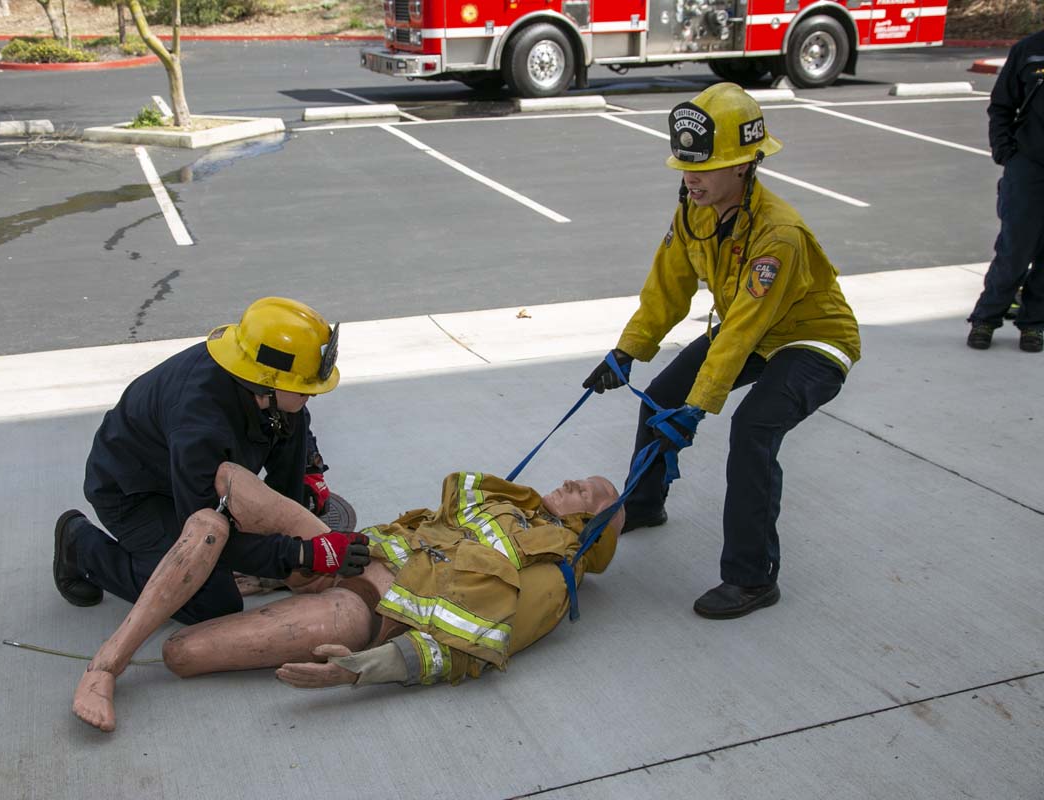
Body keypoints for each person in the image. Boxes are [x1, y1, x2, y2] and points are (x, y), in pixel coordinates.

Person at [582, 82, 861, 620]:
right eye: (686, 167)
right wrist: (628, 350)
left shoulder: (778, 234)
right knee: (661, 396)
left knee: (753, 429)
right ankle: (644, 505)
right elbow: (667, 285)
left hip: (812, 339)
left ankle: (752, 578)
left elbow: (741, 331)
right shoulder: (695, 209)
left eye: (707, 168)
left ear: (745, 165)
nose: (692, 178)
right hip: (751, 326)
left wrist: (701, 404)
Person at [71, 462, 624, 732]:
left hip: (366, 602)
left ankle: (80, 547)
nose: (573, 483)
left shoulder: (553, 576)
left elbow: (469, 648)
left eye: (587, 493)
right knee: (228, 483)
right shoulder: (506, 501)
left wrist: (366, 668)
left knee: (182, 653)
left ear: (593, 526)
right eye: (578, 480)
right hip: (348, 553)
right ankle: (108, 663)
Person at [53, 297, 360, 625]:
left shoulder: (259, 380)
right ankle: (81, 547)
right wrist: (300, 554)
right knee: (212, 602)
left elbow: (292, 420)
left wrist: (308, 472)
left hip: (183, 474)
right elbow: (205, 533)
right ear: (265, 384)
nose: (312, 394)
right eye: (305, 389)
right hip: (135, 494)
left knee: (293, 444)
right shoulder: (200, 428)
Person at [967, 28, 1044, 353]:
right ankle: (986, 318)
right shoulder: (1029, 50)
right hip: (1029, 166)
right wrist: (1006, 152)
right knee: (1015, 248)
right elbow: (1001, 105)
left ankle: (1034, 324)